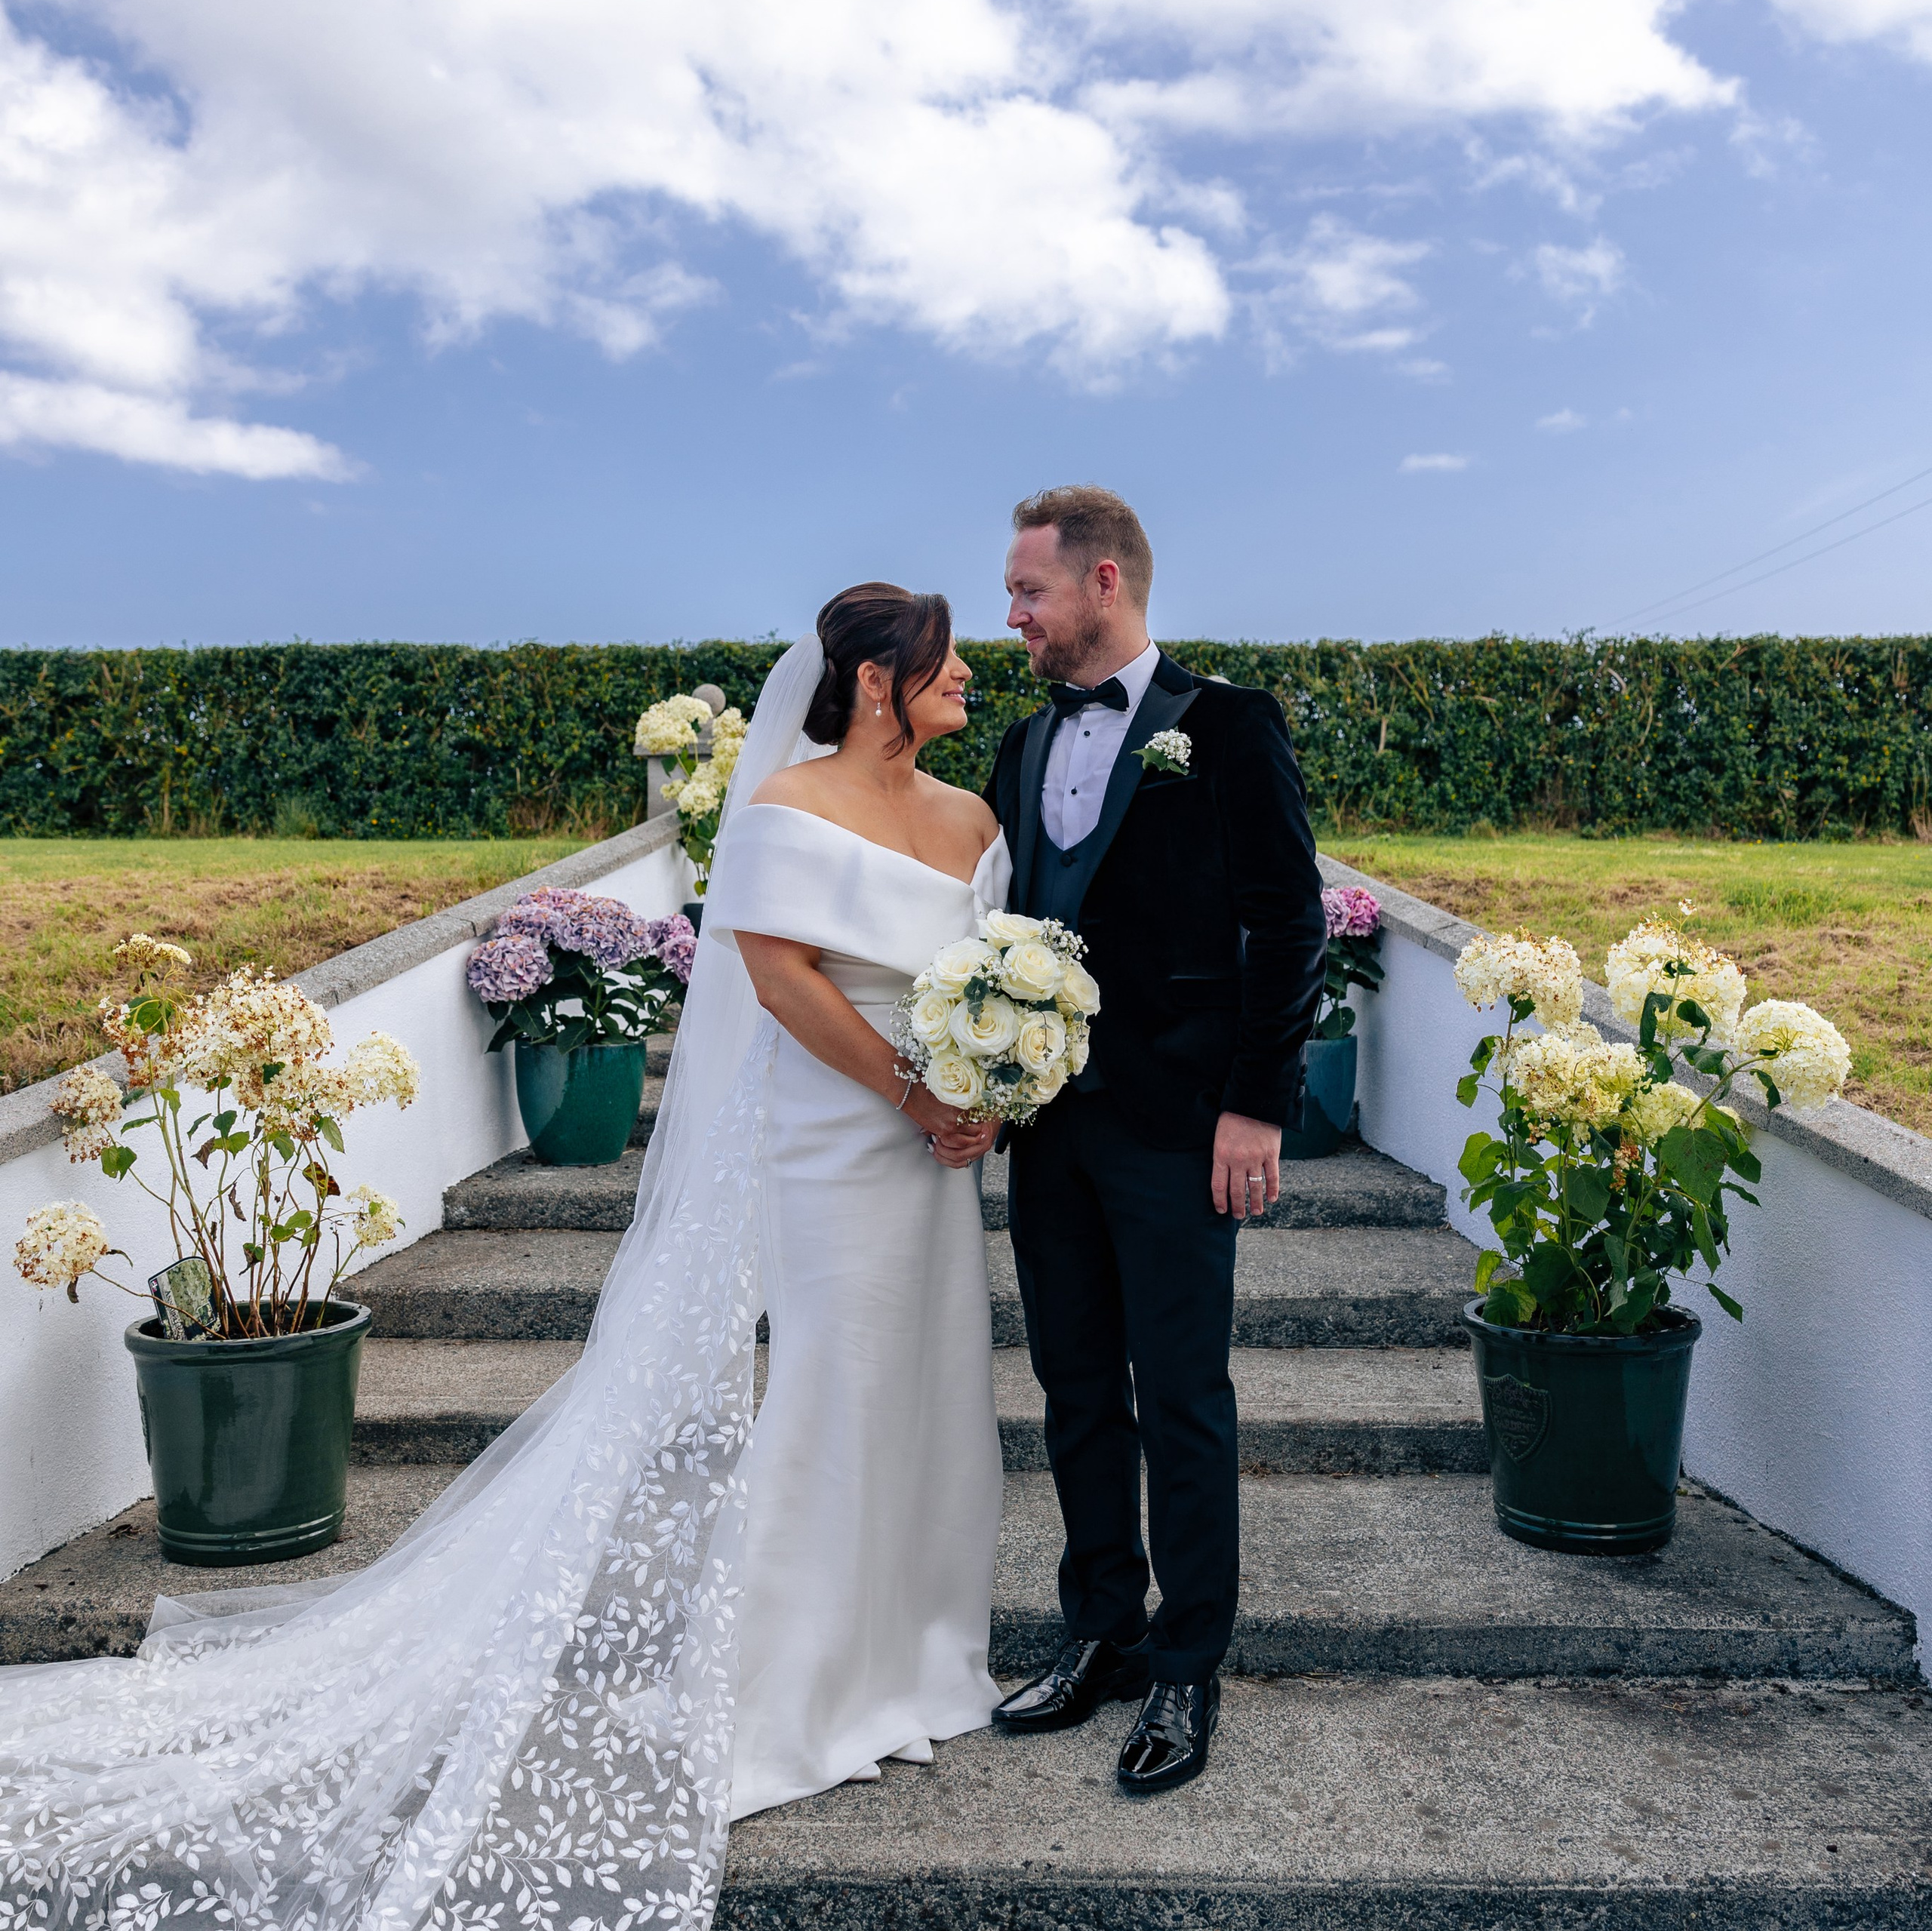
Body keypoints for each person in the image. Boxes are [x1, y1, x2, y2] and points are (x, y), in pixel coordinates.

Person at [0, 588, 1011, 1928]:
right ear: (877, 680)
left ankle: (924, 1651)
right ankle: (806, 1673)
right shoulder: (787, 809)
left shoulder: (974, 820)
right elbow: (778, 976)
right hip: (836, 1135)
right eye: (945, 666)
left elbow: (989, 969)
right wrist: (908, 1091)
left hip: (939, 1153)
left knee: (933, 1379)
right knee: (834, 1378)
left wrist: (987, 1083)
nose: (968, 685)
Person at [983, 485, 1327, 1793]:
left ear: (1105, 584)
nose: (1013, 616)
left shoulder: (1227, 726)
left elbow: (1290, 924)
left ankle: (1188, 1667)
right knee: (1075, 1393)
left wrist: (1259, 1101)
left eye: (1030, 593)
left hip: (1183, 1125)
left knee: (1182, 1398)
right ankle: (1103, 1634)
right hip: (1048, 1127)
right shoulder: (1020, 745)